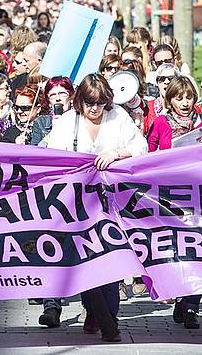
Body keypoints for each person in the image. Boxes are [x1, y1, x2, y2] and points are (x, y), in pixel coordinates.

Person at [47, 73, 148, 342]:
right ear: (80, 101)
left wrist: (116, 154)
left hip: (111, 201)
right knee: (86, 259)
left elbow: (141, 146)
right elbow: (54, 155)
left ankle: (108, 317)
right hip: (77, 202)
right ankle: (96, 312)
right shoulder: (69, 121)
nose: (95, 109)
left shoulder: (118, 117)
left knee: (112, 257)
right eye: (90, 103)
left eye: (101, 103)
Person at [146, 76, 202, 329]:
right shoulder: (160, 123)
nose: (185, 102)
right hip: (169, 196)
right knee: (178, 248)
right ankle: (180, 295)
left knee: (197, 250)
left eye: (189, 97)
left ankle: (191, 305)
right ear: (169, 100)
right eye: (179, 97)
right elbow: (148, 154)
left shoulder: (200, 123)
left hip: (198, 196)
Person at [30, 76, 75, 146]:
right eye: (53, 95)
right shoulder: (41, 122)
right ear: (49, 102)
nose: (58, 98)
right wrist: (54, 131)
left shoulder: (79, 120)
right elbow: (36, 151)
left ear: (71, 97)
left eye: (62, 93)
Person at [142, 63, 180, 134]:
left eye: (171, 78)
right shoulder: (147, 108)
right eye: (162, 79)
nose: (166, 82)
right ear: (157, 83)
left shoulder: (188, 106)